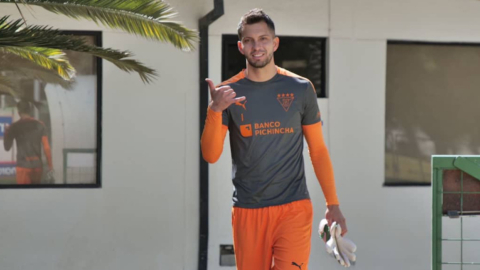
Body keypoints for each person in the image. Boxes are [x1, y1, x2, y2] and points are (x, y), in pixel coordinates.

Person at [201, 8, 347, 270]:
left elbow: (318, 150)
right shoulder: (226, 94)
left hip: (294, 208)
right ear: (240, 46)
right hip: (248, 211)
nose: (257, 46)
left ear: (275, 43)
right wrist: (214, 110)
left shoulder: (301, 88)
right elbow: (210, 155)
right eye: (249, 40)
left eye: (263, 39)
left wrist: (332, 204)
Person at [3, 100, 53, 184]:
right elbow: (46, 147)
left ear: (19, 112)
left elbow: (7, 147)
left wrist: (6, 134)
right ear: (30, 111)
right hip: (37, 167)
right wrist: (50, 166)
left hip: (23, 166)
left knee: (23, 194)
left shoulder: (14, 126)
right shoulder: (40, 125)